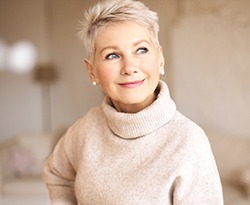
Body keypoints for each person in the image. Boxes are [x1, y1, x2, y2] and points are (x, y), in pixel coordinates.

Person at [43, 0, 224, 204]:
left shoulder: (188, 142)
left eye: (141, 50)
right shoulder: (85, 129)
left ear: (161, 59)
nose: (129, 67)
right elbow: (56, 173)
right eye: (112, 55)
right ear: (92, 70)